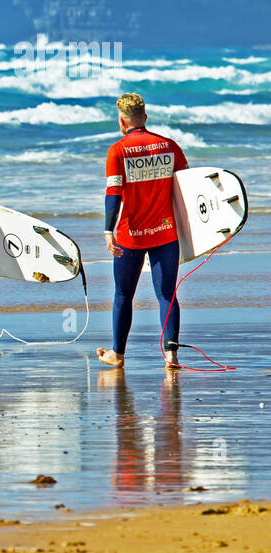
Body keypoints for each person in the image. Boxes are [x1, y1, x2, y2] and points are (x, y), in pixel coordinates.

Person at [97, 93, 187, 369]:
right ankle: (171, 355)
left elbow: (113, 193)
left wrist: (107, 230)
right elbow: (188, 187)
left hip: (131, 235)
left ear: (122, 121)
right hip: (165, 232)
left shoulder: (118, 150)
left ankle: (118, 355)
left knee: (124, 295)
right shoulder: (169, 146)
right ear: (144, 117)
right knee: (167, 294)